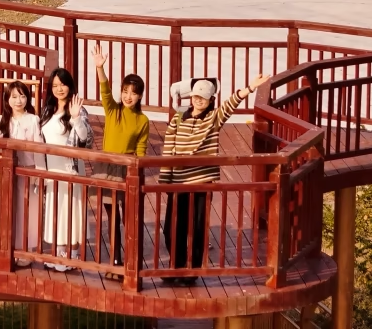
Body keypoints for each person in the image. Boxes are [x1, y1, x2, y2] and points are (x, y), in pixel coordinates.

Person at [159, 72, 268, 285]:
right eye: (195, 96)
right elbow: (168, 148)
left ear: (210, 100)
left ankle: (192, 272)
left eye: (203, 97)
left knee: (198, 226)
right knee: (172, 228)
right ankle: (177, 267)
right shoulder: (178, 117)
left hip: (201, 181)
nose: (198, 100)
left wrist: (250, 87)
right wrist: (165, 178)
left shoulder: (213, 118)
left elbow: (231, 103)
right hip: (179, 180)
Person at [92, 42, 148, 273]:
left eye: (133, 93)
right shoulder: (113, 110)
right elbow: (105, 91)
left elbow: (142, 150)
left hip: (129, 170)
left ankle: (132, 260)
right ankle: (115, 261)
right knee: (112, 217)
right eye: (125, 91)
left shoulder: (142, 121)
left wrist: (139, 173)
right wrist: (99, 68)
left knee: (130, 218)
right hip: (107, 168)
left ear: (140, 96)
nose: (128, 96)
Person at [37, 67, 92, 272]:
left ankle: (73, 254)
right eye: (55, 85)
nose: (59, 89)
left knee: (71, 211)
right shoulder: (47, 109)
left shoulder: (77, 108)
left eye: (63, 84)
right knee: (56, 211)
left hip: (70, 169)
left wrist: (76, 118)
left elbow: (85, 139)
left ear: (70, 86)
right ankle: (58, 253)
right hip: (52, 169)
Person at [0, 79, 43, 264]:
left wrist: (39, 173)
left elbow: (39, 149)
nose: (18, 100)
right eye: (14, 97)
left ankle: (26, 249)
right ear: (7, 99)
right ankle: (10, 247)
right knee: (10, 209)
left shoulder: (33, 119)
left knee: (28, 210)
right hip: (9, 173)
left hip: (28, 170)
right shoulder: (3, 120)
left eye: (22, 96)